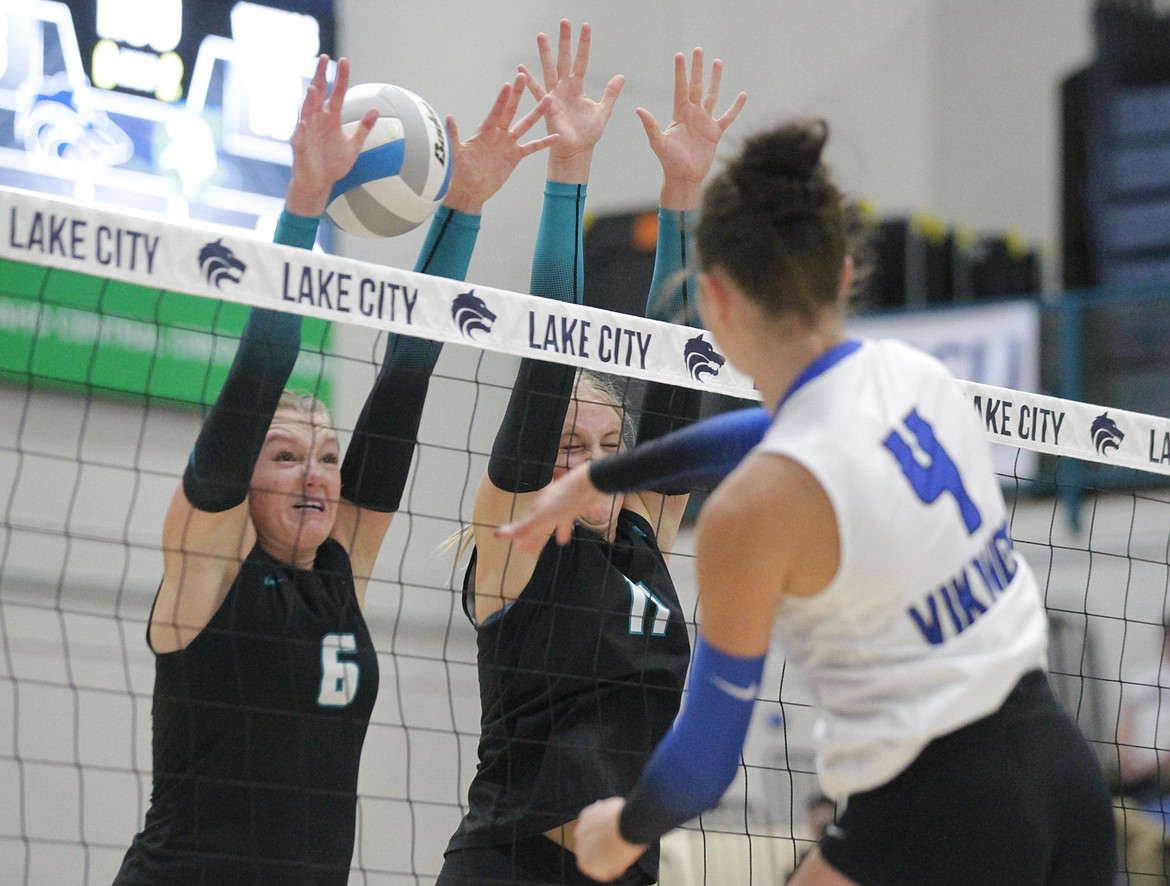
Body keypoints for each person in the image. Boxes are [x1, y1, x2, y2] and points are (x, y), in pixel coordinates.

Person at [499, 119, 1118, 885]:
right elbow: (781, 430)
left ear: (716, 300)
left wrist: (623, 831)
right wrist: (603, 477)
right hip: (1064, 773)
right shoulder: (914, 375)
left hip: (941, 808)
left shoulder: (751, 512)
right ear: (844, 274)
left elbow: (705, 761)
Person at [112, 55, 555, 884]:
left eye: (324, 457)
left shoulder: (340, 569)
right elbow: (263, 368)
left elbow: (405, 377)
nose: (318, 476)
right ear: (240, 481)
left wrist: (464, 210)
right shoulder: (207, 568)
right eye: (284, 458)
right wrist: (304, 207)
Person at [436, 21, 745, 886]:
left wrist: (681, 191)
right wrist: (567, 173)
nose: (594, 466)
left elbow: (672, 367)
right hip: (509, 869)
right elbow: (545, 361)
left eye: (612, 448)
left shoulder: (642, 540)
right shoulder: (515, 549)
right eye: (572, 447)